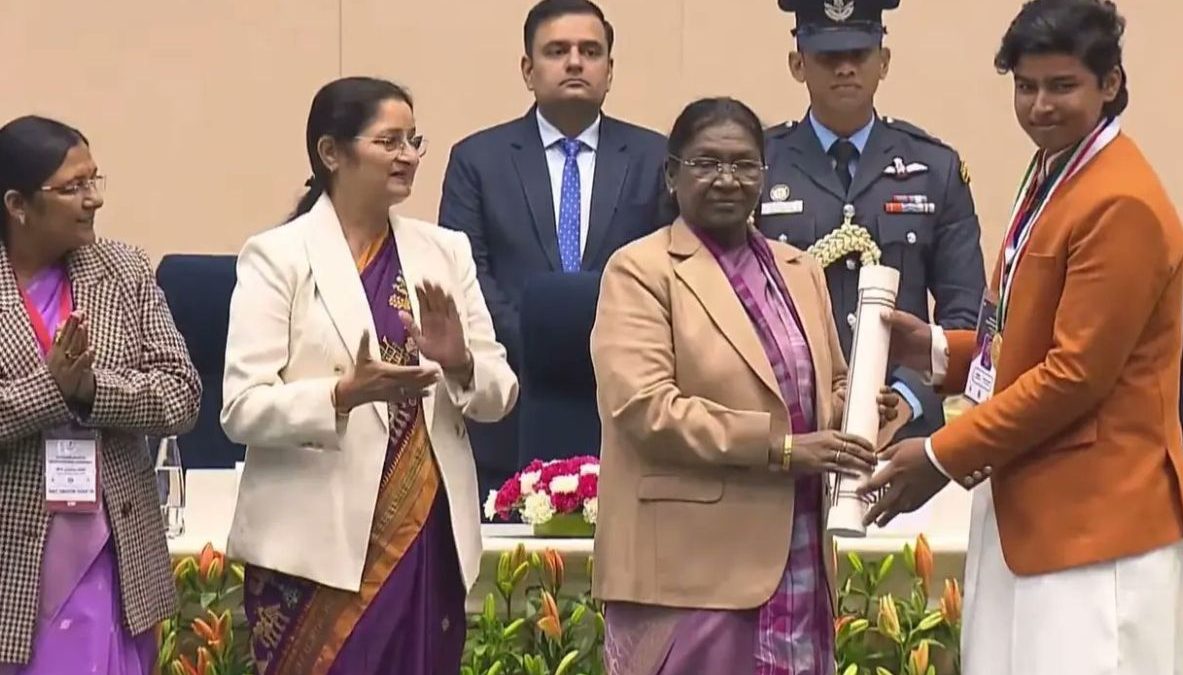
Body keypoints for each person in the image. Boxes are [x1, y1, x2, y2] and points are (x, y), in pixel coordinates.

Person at [860, 2, 1183, 673]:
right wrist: (936, 350)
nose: (1040, 106)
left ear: (1110, 83)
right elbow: (1024, 334)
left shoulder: (1120, 198)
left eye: (1061, 86)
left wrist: (939, 455)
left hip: (1097, 526)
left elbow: (1075, 376)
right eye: (1026, 87)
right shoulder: (1053, 171)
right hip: (1030, 506)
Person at [591, 96, 903, 675]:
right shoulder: (640, 270)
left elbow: (827, 386)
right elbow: (645, 408)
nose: (726, 179)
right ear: (672, 175)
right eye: (706, 163)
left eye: (743, 164)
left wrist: (860, 408)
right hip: (690, 572)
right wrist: (783, 449)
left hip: (799, 556)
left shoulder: (798, 269)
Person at [221, 76, 518, 674]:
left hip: (425, 535)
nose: (408, 155)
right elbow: (241, 408)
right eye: (389, 141)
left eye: (414, 141)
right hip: (314, 551)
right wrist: (340, 395)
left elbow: (499, 393)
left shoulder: (445, 251)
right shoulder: (278, 256)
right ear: (332, 153)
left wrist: (460, 362)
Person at [438, 0, 673, 494]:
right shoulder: (477, 159)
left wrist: (609, 344)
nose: (574, 62)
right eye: (557, 51)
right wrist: (544, 344)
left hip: (628, 403)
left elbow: (670, 269)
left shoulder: (655, 157)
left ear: (609, 69)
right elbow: (468, 272)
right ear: (528, 70)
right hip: (511, 400)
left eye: (590, 51)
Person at [0, 116, 201, 674]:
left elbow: (182, 393)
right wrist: (49, 391)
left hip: (116, 551)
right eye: (73, 187)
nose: (94, 199)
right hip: (15, 558)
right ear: (17, 205)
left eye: (94, 180)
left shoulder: (124, 269)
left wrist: (92, 391)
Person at [761, 0, 986, 441]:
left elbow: (965, 312)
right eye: (828, 56)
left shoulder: (933, 167)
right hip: (795, 424)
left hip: (905, 431)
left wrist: (909, 397)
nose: (845, 68)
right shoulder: (762, 164)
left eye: (859, 54)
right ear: (798, 65)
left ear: (883, 61)